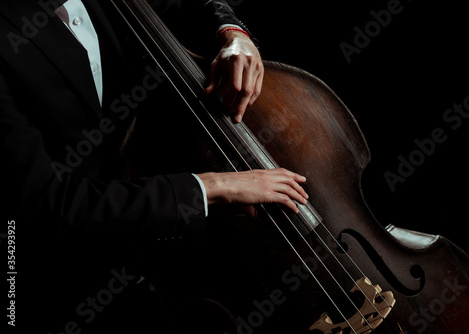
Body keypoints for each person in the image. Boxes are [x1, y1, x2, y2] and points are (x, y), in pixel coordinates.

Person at [0, 0, 308, 332]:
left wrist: (234, 35)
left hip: (165, 238)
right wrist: (217, 186)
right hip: (59, 278)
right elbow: (45, 205)